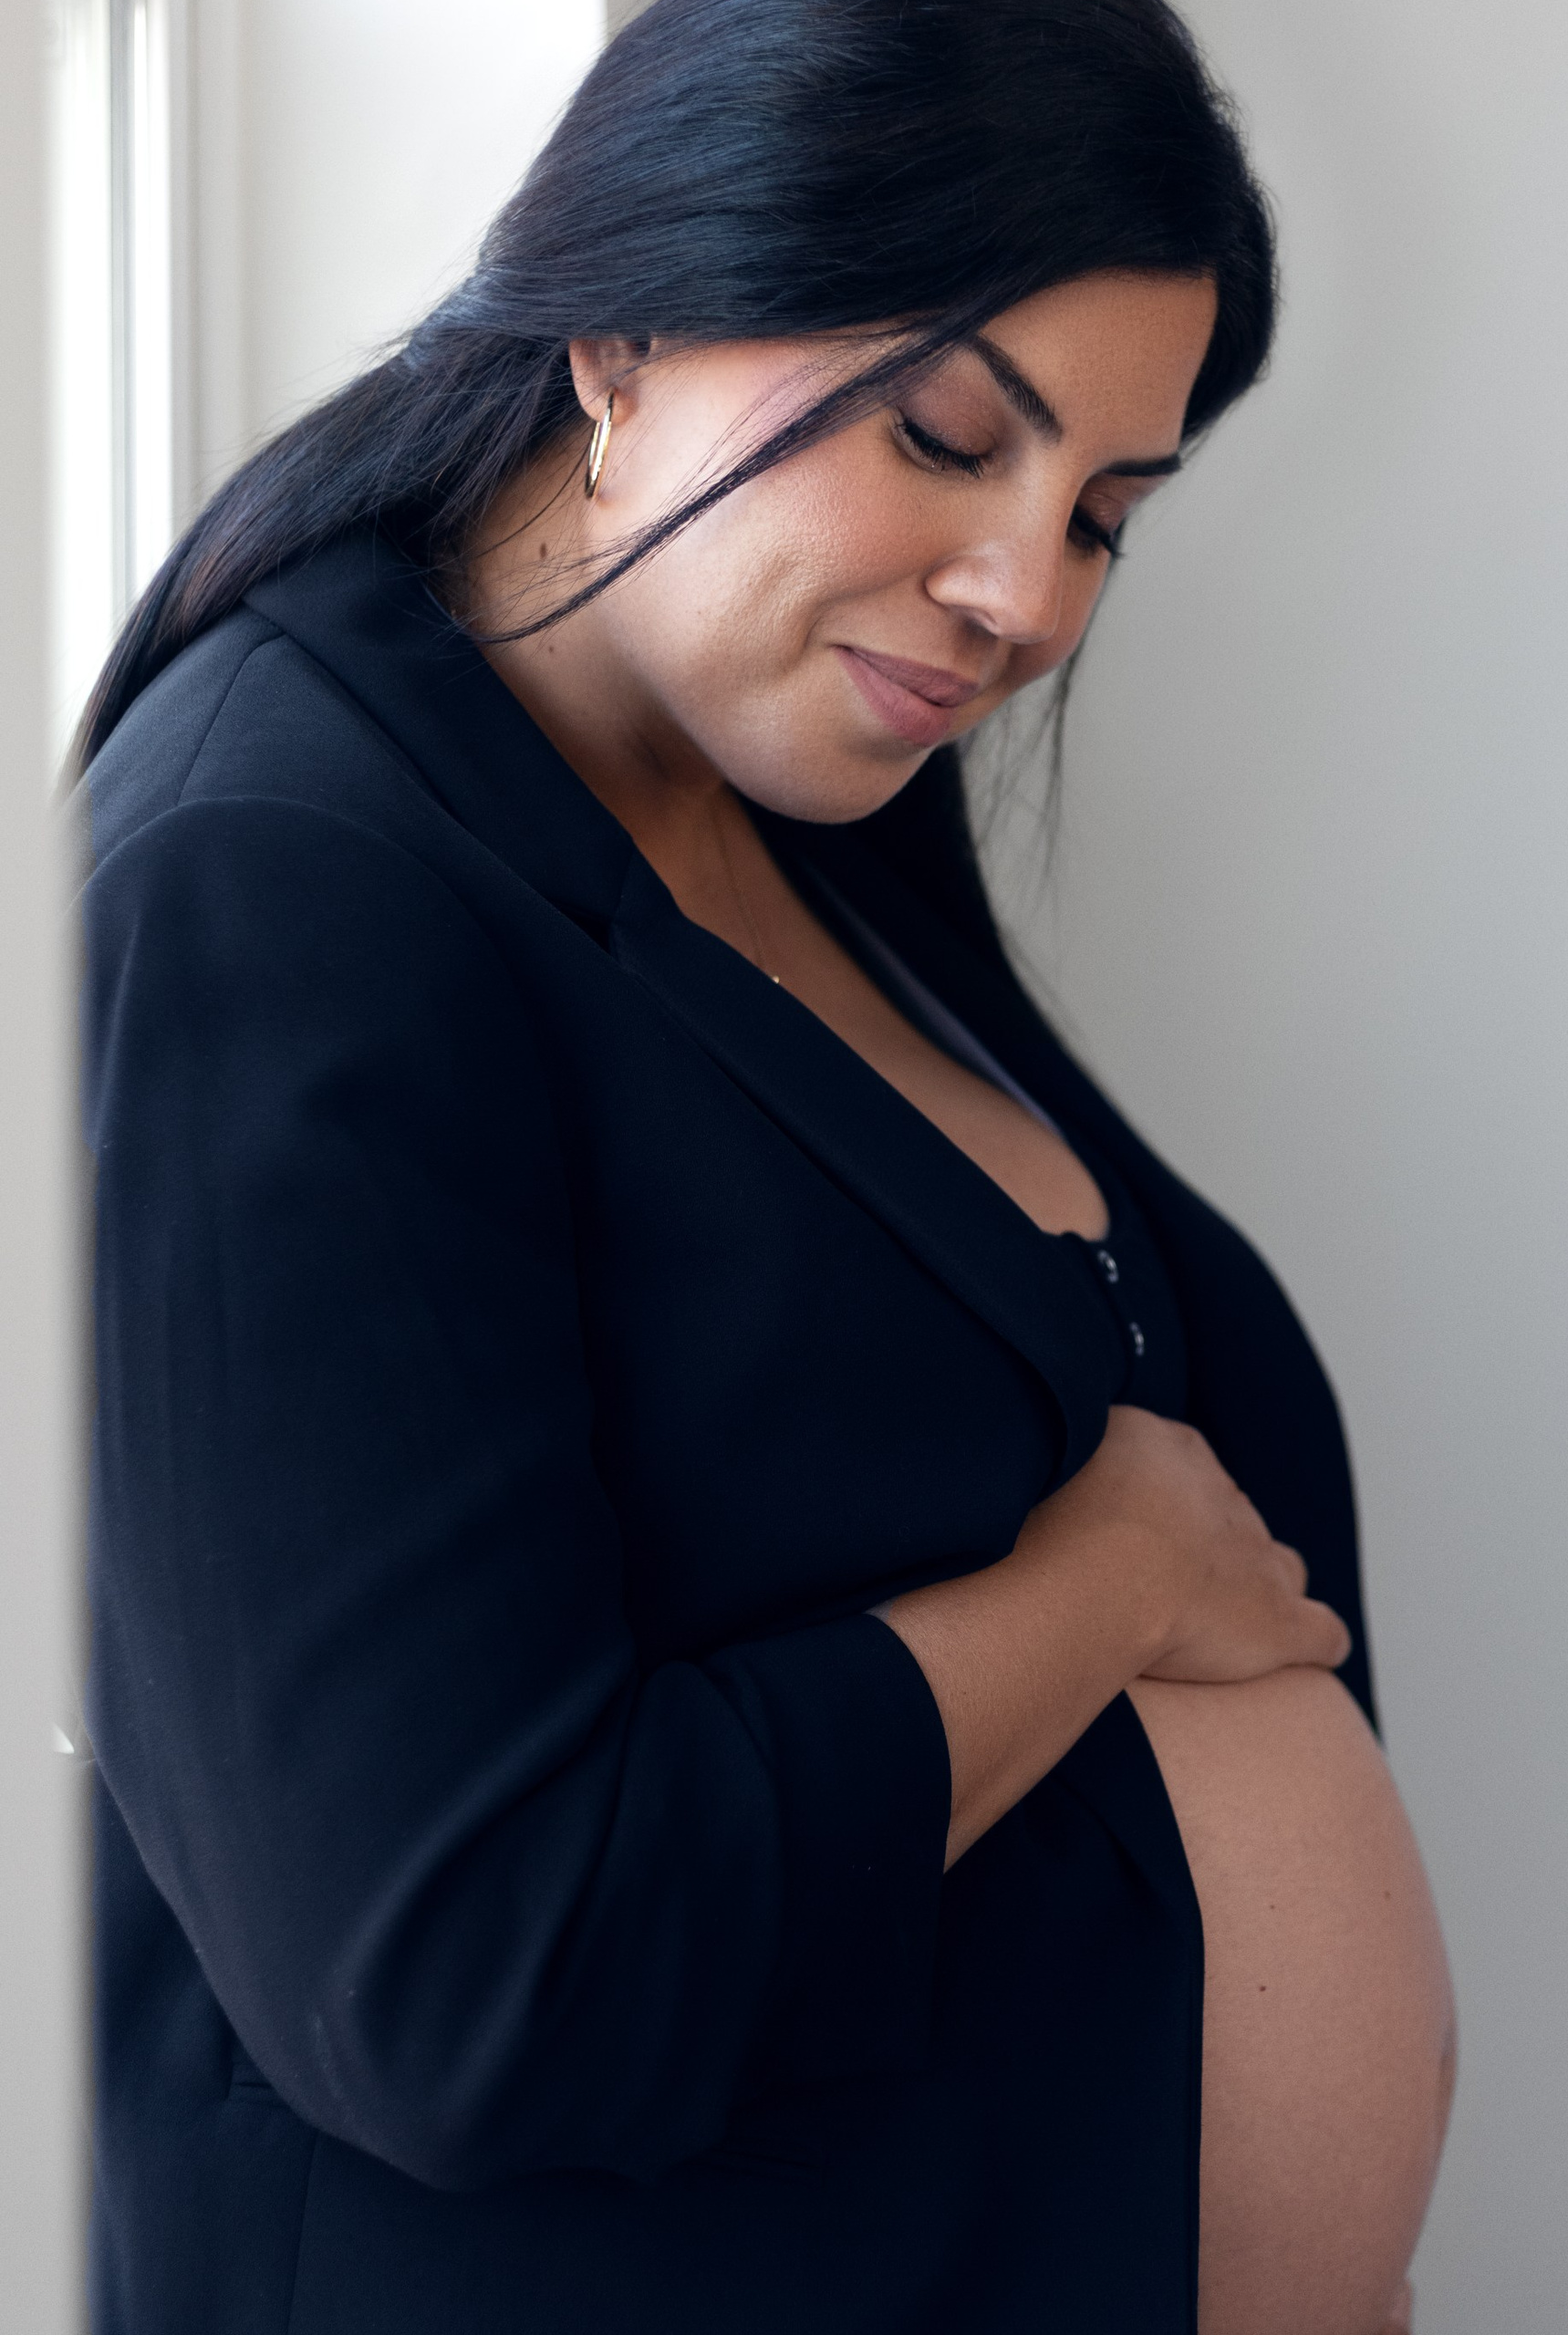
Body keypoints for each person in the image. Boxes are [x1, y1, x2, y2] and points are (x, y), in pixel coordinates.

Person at [78, 2, 1455, 2329]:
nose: (1028, 596)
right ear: (623, 327)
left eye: (1102, 513)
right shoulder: (270, 886)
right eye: (949, 437)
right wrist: (1102, 1590)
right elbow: (462, 1977)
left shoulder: (788, 791)